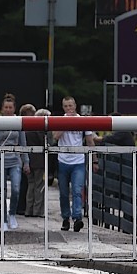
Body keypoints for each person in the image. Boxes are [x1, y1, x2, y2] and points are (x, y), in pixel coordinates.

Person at [0, 92, 30, 231]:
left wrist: (26, 162)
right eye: (6, 107)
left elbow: (23, 143)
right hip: (1, 161)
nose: (8, 110)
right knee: (2, 191)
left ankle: (12, 214)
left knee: (16, 189)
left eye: (11, 107)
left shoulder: (18, 122)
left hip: (15, 160)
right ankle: (3, 220)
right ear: (2, 109)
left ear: (14, 108)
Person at [53, 95, 96, 233]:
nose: (69, 109)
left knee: (77, 190)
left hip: (78, 161)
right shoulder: (60, 120)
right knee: (64, 193)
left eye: (70, 106)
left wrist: (94, 159)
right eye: (66, 106)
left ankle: (77, 218)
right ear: (63, 108)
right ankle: (66, 218)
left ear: (75, 106)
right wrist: (66, 124)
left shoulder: (83, 121)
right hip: (63, 160)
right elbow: (55, 136)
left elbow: (90, 141)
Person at [19, 103, 47, 218]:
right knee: (39, 186)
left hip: (27, 160)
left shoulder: (22, 128)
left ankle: (28, 210)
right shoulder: (36, 127)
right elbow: (42, 141)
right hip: (39, 160)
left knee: (31, 185)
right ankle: (38, 211)